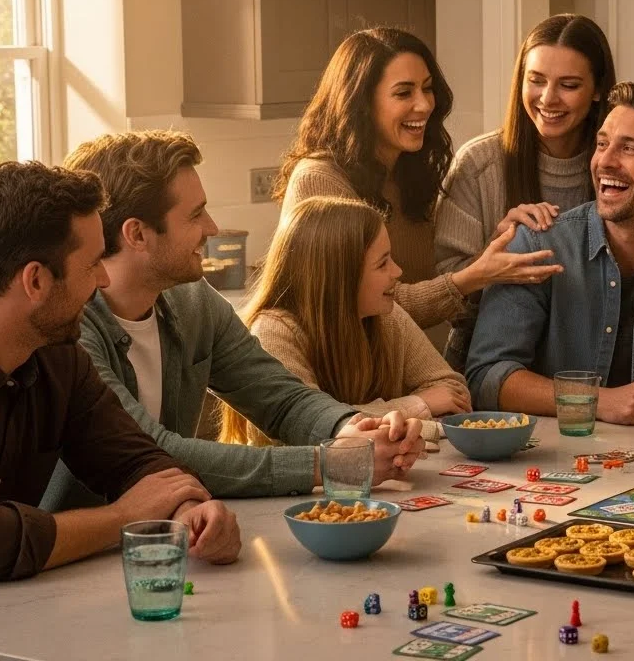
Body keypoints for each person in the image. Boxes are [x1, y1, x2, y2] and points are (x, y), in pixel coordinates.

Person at [43, 130, 424, 506]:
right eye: (195, 215)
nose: (211, 228)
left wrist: (353, 428)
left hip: (171, 529)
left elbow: (281, 399)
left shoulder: (193, 301)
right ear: (137, 235)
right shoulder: (72, 328)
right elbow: (153, 451)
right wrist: (329, 464)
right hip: (82, 556)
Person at [0, 161, 239, 585]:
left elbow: (133, 458)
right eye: (92, 264)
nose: (102, 279)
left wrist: (189, 511)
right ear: (36, 281)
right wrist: (122, 517)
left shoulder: (57, 358)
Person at [466, 82, 634, 424]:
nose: (605, 162)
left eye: (629, 149)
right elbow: (487, 377)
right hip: (555, 457)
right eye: (602, 144)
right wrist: (595, 401)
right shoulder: (537, 244)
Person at [274, 27, 560, 332]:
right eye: (404, 92)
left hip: (419, 372)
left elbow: (432, 286)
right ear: (361, 103)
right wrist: (475, 276)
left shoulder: (408, 174)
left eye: (427, 88)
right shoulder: (319, 181)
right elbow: (370, 306)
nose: (424, 105)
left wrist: (496, 248)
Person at [435, 14, 618, 369]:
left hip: (586, 368)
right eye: (535, 80)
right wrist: (497, 252)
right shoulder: (478, 164)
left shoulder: (614, 169)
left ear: (597, 90)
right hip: (483, 367)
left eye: (568, 84)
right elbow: (447, 299)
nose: (548, 98)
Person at [217, 196, 470, 447]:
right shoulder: (274, 332)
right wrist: (417, 406)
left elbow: (453, 393)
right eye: (382, 263)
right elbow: (299, 432)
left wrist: (398, 421)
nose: (397, 272)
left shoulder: (386, 316)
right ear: (340, 278)